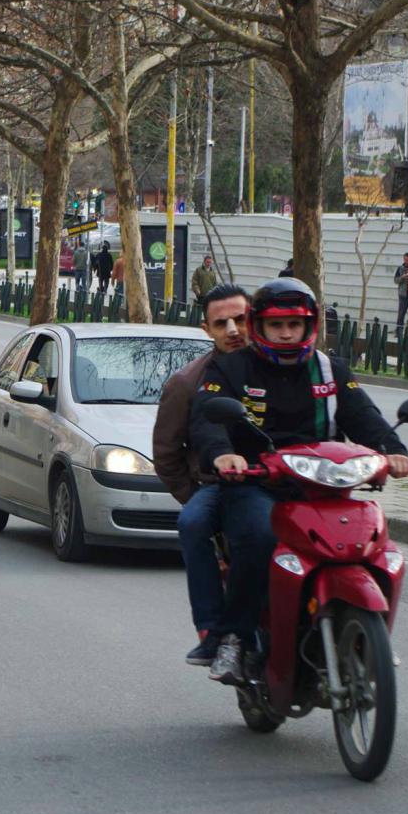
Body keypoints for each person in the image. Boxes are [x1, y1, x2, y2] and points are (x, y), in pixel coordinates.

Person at [189, 278, 408, 684]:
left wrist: (393, 452)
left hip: (326, 487)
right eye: (277, 325)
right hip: (256, 484)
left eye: (296, 323)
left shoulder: (331, 370)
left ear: (310, 325)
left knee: (376, 544)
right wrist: (223, 454)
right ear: (260, 326)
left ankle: (370, 633)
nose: (287, 333)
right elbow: (207, 417)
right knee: (258, 538)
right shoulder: (230, 367)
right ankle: (234, 639)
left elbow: (364, 417)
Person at [152, 283, 250, 665]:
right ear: (206, 329)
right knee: (193, 523)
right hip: (217, 488)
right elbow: (166, 454)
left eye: (240, 320)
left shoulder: (281, 366)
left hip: (284, 483)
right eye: (221, 322)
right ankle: (212, 630)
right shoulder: (187, 383)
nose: (233, 330)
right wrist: (195, 494)